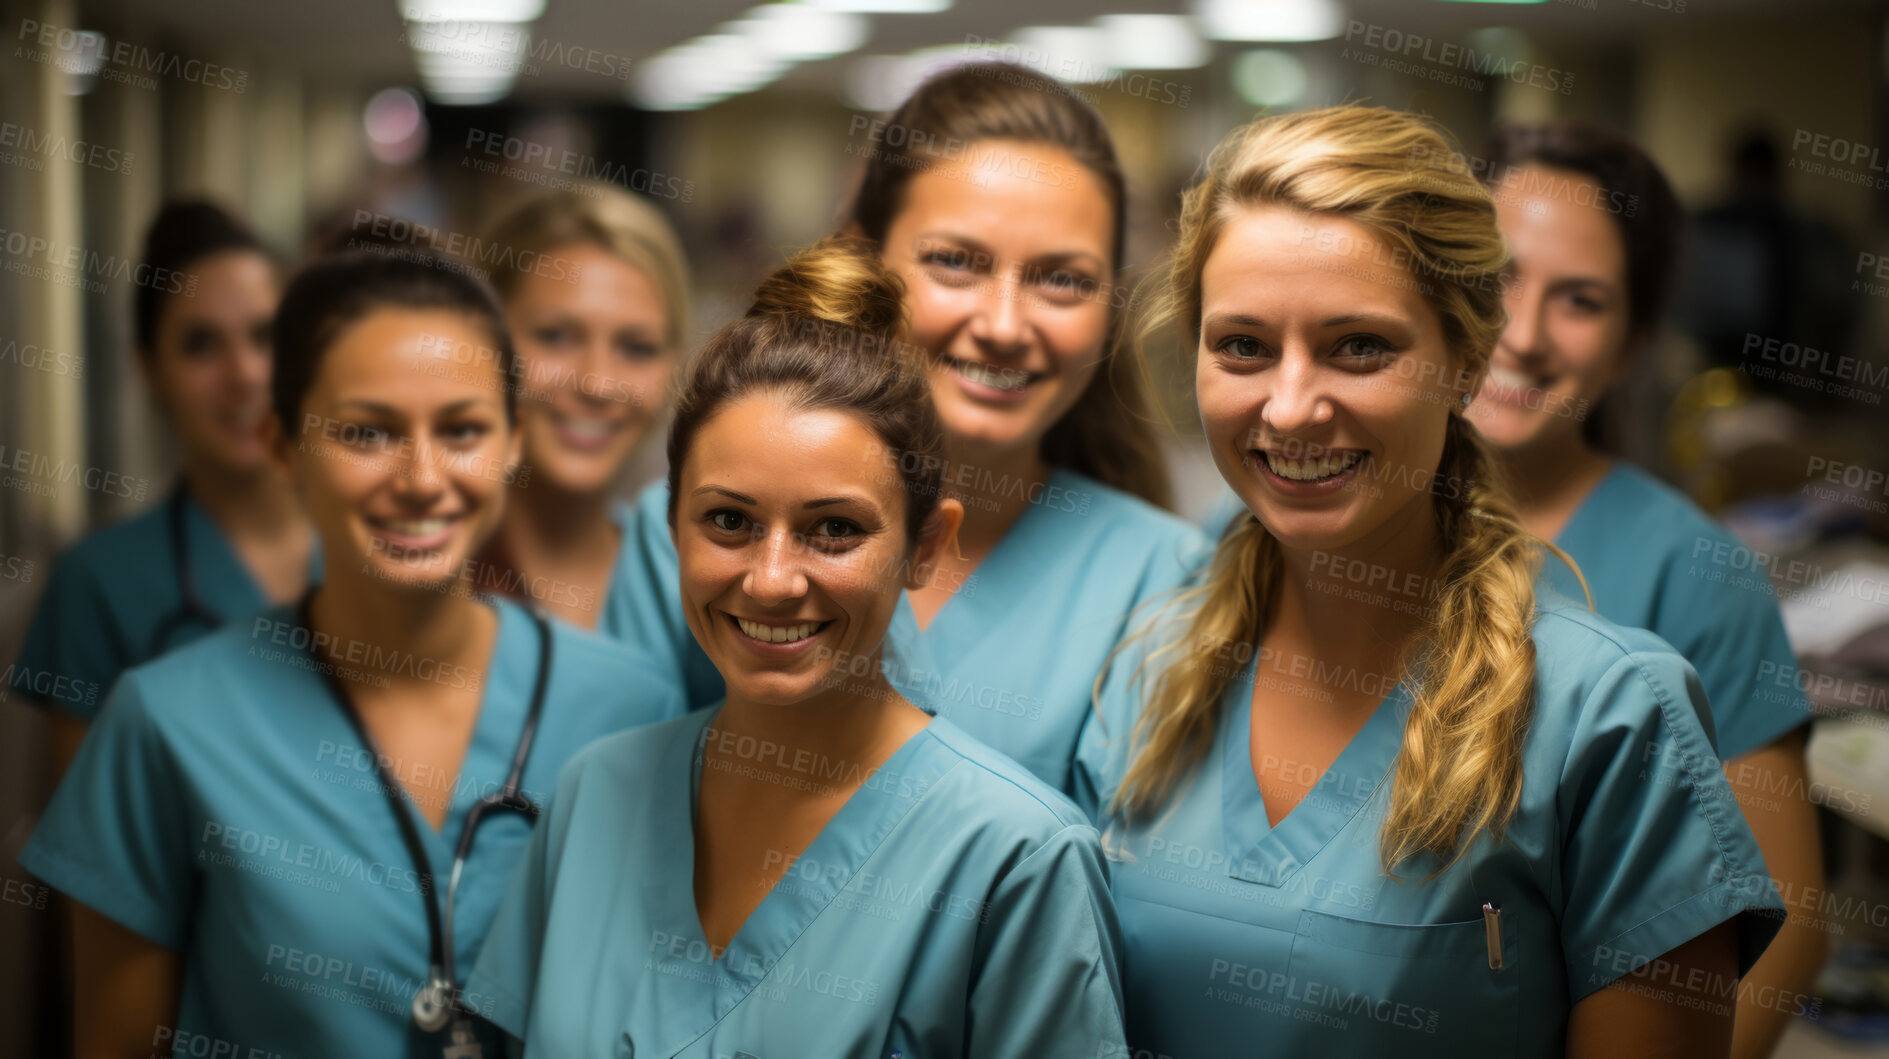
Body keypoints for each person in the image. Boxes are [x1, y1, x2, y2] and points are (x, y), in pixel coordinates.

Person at [1076, 105, 1785, 1057]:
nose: (1289, 406)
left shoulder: (1608, 718)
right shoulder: (1144, 673)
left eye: (1358, 346)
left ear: (1465, 360)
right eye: (1241, 345)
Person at [466, 238, 1127, 1056]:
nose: (772, 580)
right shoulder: (595, 795)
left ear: (925, 546)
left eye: (834, 530)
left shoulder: (1011, 863)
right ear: (670, 525)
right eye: (729, 521)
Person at [20, 251, 686, 1058]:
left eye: (463, 429)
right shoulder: (166, 723)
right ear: (282, 446)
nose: (421, 477)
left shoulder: (635, 710)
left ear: (513, 443)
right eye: (366, 432)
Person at [612, 62, 1205, 792]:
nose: (1003, 325)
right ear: (861, 257)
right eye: (954, 262)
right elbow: (623, 824)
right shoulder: (688, 535)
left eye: (1063, 279)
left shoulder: (1164, 581)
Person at [1471, 119, 1824, 1059]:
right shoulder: (1325, 518)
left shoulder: (1694, 573)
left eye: (1579, 300)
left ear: (1629, 347)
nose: (1524, 333)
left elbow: (1787, 927)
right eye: (1498, 277)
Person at [13, 200, 316, 774]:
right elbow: (83, 849)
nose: (244, 373)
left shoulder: (381, 545)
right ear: (150, 371)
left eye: (265, 336)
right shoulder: (96, 582)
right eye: (201, 344)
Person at [472, 185, 693, 632]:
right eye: (555, 336)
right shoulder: (405, 571)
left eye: (636, 347)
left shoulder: (693, 584)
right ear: (481, 342)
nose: (597, 383)